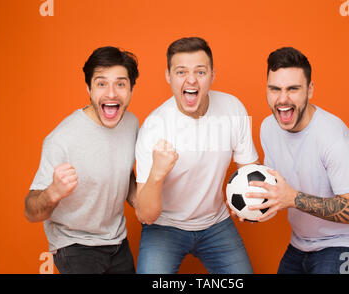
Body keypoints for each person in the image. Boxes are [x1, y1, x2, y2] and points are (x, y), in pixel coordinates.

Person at [134, 37, 259, 274]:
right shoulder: (154, 127)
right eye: (181, 72)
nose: (191, 79)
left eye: (200, 72)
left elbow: (250, 172)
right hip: (165, 226)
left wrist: (253, 204)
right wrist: (157, 174)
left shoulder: (233, 108)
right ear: (168, 77)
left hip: (216, 223)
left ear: (212, 75)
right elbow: (146, 215)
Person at [245, 47, 349, 274]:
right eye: (275, 89)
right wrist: (251, 208)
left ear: (310, 90)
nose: (282, 99)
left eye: (293, 89)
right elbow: (278, 190)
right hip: (300, 243)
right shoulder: (268, 127)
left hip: (344, 243)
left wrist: (293, 198)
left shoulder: (333, 137)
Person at [24, 46, 140, 274]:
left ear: (131, 89)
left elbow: (124, 173)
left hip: (117, 241)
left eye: (120, 84)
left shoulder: (132, 124)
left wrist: (145, 203)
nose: (111, 94)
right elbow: (30, 211)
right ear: (88, 87)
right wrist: (53, 192)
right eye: (101, 83)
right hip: (74, 244)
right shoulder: (61, 139)